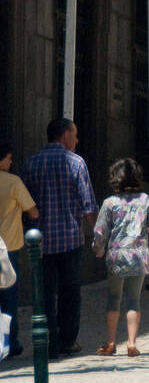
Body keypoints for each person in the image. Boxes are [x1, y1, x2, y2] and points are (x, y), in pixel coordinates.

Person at [21, 118, 97, 361]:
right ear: (64, 135)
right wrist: (97, 235)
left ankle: (47, 343)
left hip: (39, 243)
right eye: (74, 135)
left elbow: (25, 203)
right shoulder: (76, 163)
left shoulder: (30, 164)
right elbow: (88, 204)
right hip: (70, 239)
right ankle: (67, 340)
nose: (77, 140)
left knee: (44, 293)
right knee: (70, 291)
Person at [92, 159, 149, 357]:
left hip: (117, 255)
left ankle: (110, 342)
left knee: (114, 297)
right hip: (139, 254)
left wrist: (98, 248)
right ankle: (132, 344)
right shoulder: (145, 200)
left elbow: (100, 231)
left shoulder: (110, 203)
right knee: (134, 298)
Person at [0, 140, 39, 359]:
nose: (11, 161)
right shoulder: (13, 182)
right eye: (9, 158)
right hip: (7, 247)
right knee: (8, 298)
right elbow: (33, 212)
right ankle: (9, 343)